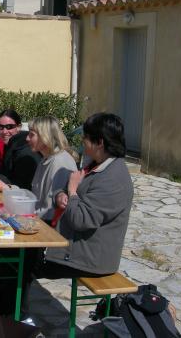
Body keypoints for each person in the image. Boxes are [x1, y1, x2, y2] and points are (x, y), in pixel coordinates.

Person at [31, 112, 133, 279]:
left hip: (89, 259)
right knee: (20, 257)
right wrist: (60, 196)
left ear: (99, 142)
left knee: (24, 264)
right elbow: (68, 189)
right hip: (75, 249)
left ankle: (10, 305)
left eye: (85, 137)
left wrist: (71, 192)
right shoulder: (96, 164)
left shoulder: (114, 179)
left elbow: (82, 220)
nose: (82, 142)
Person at [27, 116, 77, 221]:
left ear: (45, 136)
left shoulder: (59, 161)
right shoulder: (46, 158)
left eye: (32, 134)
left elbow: (50, 211)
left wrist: (25, 217)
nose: (27, 138)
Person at [0, 109, 41, 191]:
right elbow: (7, 175)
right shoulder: (12, 145)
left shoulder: (25, 151)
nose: (4, 131)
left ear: (19, 127)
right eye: (1, 127)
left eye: (9, 127)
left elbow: (21, 186)